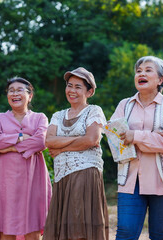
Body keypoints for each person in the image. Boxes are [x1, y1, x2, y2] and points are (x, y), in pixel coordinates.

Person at [110, 56, 163, 240]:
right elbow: (113, 135)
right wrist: (154, 137)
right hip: (130, 178)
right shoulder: (124, 105)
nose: (141, 73)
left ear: (161, 79)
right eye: (138, 71)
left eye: (148, 70)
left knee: (160, 233)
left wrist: (135, 136)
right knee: (125, 232)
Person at [42, 67, 109, 240]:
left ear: (90, 91)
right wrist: (78, 138)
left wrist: (61, 148)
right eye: (69, 85)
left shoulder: (94, 111)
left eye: (78, 87)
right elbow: (49, 141)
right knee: (63, 229)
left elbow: (92, 139)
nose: (72, 91)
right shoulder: (58, 115)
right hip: (62, 177)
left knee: (79, 228)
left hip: (85, 173)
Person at [0, 77, 52, 240]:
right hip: (5, 179)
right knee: (6, 226)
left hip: (32, 178)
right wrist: (21, 136)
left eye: (19, 90)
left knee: (33, 225)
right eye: (11, 90)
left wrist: (7, 147)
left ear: (30, 95)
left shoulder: (40, 118)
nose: (14, 93)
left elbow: (41, 141)